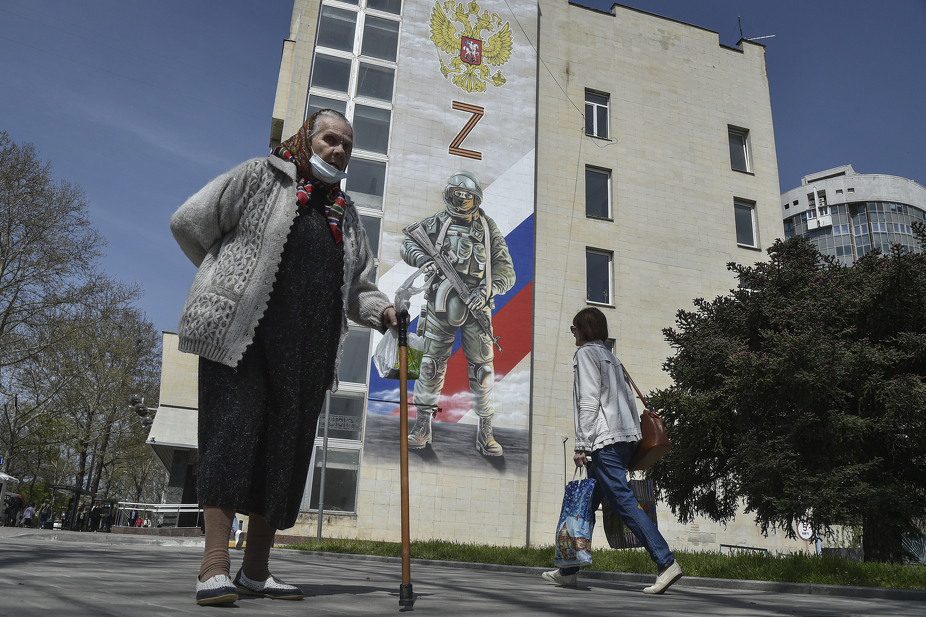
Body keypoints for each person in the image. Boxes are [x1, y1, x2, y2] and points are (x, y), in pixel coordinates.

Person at [171, 109, 397, 607]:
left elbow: (358, 288)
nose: (338, 150)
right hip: (242, 342)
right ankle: (214, 565)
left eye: (346, 146)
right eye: (330, 139)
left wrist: (383, 312)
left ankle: (256, 572)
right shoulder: (261, 177)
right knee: (230, 441)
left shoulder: (346, 215)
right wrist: (221, 281)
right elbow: (189, 221)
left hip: (307, 353)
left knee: (284, 457)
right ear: (307, 139)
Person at [542, 307, 682, 594]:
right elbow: (627, 403)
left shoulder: (585, 355)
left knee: (624, 503)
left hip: (605, 443)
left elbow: (589, 402)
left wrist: (582, 444)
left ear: (583, 329)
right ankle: (568, 569)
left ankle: (666, 562)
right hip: (625, 440)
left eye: (574, 328)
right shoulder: (612, 358)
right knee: (587, 503)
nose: (574, 334)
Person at [401, 171, 515, 456]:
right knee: (429, 365)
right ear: (449, 195)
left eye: (467, 196)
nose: (462, 200)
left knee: (484, 372)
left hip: (478, 309)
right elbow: (408, 244)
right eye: (457, 195)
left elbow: (506, 270)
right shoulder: (438, 222)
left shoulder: (488, 229)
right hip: (440, 306)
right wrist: (424, 260)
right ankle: (423, 425)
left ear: (475, 199)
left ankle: (485, 430)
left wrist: (488, 290)